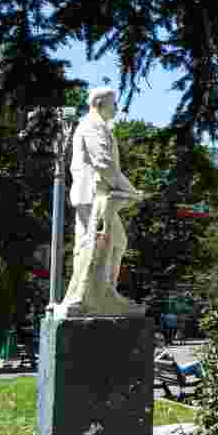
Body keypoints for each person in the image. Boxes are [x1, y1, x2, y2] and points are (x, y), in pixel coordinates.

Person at [59, 87, 145, 316]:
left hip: (96, 195)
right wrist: (131, 190)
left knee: (114, 242)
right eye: (113, 103)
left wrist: (129, 189)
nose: (116, 108)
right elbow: (104, 164)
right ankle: (86, 297)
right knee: (95, 244)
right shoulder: (92, 125)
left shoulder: (97, 125)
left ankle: (101, 293)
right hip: (93, 195)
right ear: (99, 103)